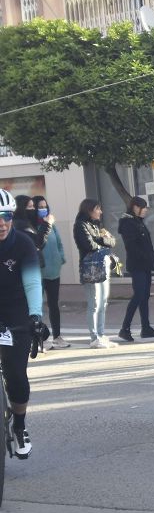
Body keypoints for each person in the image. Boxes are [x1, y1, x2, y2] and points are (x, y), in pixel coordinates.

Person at [0, 189, 50, 458]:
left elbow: (32, 282)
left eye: (6, 215)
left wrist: (35, 317)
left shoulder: (23, 243)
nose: (2, 222)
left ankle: (19, 426)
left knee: (16, 376)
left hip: (16, 310)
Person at [117, 196, 154, 341]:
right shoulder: (127, 223)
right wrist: (145, 256)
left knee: (144, 297)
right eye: (143, 207)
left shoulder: (138, 222)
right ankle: (125, 328)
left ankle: (146, 327)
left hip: (145, 265)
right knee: (138, 295)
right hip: (137, 265)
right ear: (135, 207)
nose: (146, 210)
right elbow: (132, 246)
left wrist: (151, 258)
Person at [73, 198, 116, 349]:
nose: (100, 212)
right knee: (94, 303)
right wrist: (103, 240)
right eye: (98, 208)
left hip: (102, 265)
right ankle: (94, 337)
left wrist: (101, 239)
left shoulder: (96, 225)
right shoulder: (80, 225)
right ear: (89, 210)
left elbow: (112, 241)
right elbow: (89, 245)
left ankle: (101, 334)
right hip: (90, 268)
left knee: (103, 302)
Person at [34, 196, 69, 349]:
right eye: (40, 207)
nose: (43, 209)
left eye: (45, 206)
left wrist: (61, 257)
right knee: (38, 306)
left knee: (54, 304)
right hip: (39, 272)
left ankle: (57, 336)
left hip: (54, 270)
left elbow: (59, 243)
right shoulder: (34, 226)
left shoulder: (51, 224)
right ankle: (41, 338)